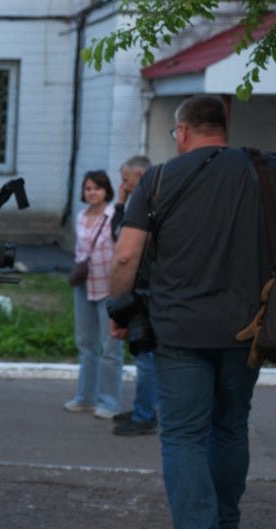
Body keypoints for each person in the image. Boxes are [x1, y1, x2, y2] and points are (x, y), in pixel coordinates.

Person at [109, 95, 276, 529]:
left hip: (178, 329)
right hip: (251, 329)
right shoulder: (271, 172)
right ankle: (225, 524)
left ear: (182, 132)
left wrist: (119, 310)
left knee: (182, 433)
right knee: (230, 425)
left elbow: (125, 255)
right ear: (223, 128)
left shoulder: (158, 180)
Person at [65, 170, 124, 420]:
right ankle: (86, 398)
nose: (92, 192)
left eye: (97, 188)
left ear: (106, 191)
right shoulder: (80, 216)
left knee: (110, 347)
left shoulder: (114, 216)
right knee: (86, 344)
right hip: (84, 286)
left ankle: (109, 402)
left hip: (109, 288)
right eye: (88, 188)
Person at [110, 156, 159, 436]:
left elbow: (122, 244)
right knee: (146, 355)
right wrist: (121, 201)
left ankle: (144, 416)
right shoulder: (150, 203)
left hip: (146, 289)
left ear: (140, 175)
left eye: (127, 181)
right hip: (148, 288)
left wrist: (115, 306)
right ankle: (145, 408)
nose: (124, 187)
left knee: (145, 356)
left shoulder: (151, 207)